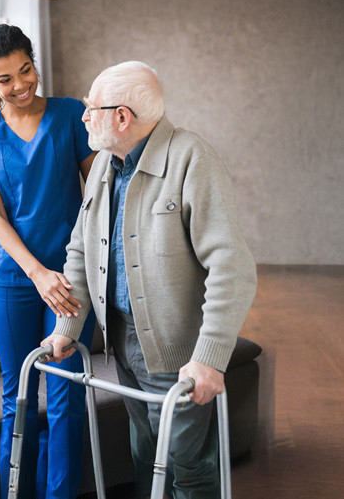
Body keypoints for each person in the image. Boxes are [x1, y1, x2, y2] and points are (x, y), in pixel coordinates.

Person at [42, 61, 257, 499]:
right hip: (121, 342)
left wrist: (210, 358)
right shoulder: (104, 164)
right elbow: (82, 251)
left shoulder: (190, 158)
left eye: (91, 107)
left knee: (185, 463)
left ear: (121, 116)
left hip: (176, 351)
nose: (83, 116)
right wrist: (67, 327)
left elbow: (232, 267)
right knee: (144, 452)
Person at [0, 23, 97, 499]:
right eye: (5, 79)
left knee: (66, 399)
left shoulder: (71, 115)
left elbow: (96, 196)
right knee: (15, 399)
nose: (20, 85)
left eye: (26, 69)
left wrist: (70, 271)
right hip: (15, 282)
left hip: (71, 280)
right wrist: (37, 273)